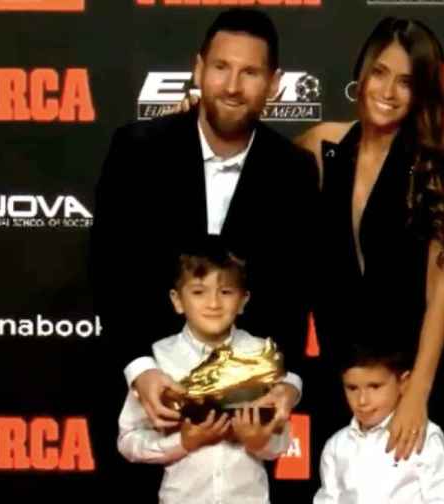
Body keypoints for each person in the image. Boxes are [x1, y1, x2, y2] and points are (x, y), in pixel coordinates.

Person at [92, 8, 317, 432]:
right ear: (198, 69)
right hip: (141, 405)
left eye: (250, 72)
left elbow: (296, 292)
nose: (232, 87)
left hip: (245, 420)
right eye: (220, 68)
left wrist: (285, 383)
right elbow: (109, 270)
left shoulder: (295, 172)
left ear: (273, 83)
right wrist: (141, 370)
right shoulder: (137, 151)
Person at [294, 17, 444, 461]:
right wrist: (190, 120)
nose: (388, 92)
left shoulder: (436, 169)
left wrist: (417, 395)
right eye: (380, 73)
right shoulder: (321, 146)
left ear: (422, 93)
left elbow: (441, 286)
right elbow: (253, 162)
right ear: (363, 72)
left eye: (406, 82)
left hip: (416, 375)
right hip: (348, 381)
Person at [118, 240, 292, 504]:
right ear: (177, 300)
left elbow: (282, 441)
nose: (213, 303)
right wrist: (183, 443)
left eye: (225, 292)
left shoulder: (260, 358)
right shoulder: (156, 363)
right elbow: (128, 440)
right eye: (199, 292)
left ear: (243, 301)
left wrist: (257, 441)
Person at [310, 342, 444, 504]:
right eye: (352, 388)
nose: (362, 400)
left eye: (375, 386)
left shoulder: (423, 437)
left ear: (404, 382)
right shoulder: (337, 447)